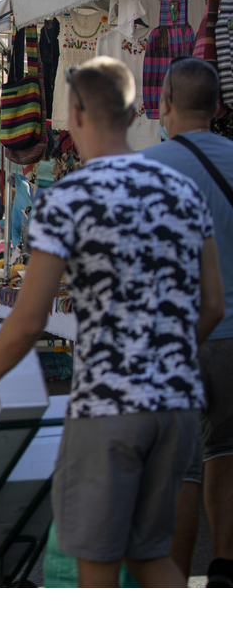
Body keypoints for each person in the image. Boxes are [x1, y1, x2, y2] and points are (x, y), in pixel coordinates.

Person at [0, 57, 225, 588]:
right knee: (149, 556)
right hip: (178, 406)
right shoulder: (181, 192)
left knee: (97, 562)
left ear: (73, 114)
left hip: (111, 406)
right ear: (140, 109)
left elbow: (27, 321)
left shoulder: (69, 197)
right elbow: (212, 305)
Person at [142, 56, 233, 587]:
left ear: (165, 104)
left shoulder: (148, 168)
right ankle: (223, 570)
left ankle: (172, 585)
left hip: (176, 335)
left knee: (181, 468)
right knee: (227, 451)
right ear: (219, 108)